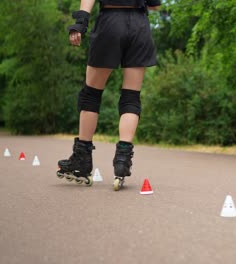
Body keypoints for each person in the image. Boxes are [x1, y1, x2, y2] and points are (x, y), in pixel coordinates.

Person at [56, 0, 161, 191]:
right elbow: (155, 4)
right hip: (140, 25)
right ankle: (122, 160)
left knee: (91, 95)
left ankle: (82, 159)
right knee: (131, 96)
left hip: (110, 22)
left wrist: (80, 23)